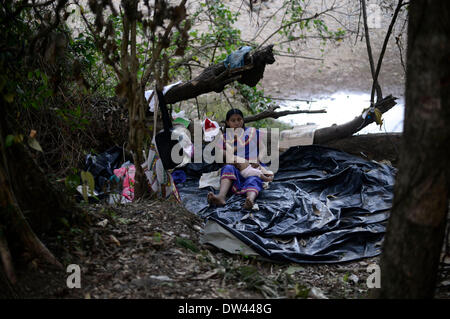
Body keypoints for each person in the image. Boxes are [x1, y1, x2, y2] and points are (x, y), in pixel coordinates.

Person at [207, 108, 273, 210]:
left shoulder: (252, 132)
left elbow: (263, 148)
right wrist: (233, 160)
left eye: (239, 119)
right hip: (236, 168)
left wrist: (258, 159)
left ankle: (250, 200)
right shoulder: (224, 137)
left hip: (253, 165)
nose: (237, 123)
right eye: (233, 120)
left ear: (243, 120)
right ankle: (221, 197)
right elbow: (219, 153)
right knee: (227, 168)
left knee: (254, 178)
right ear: (228, 123)